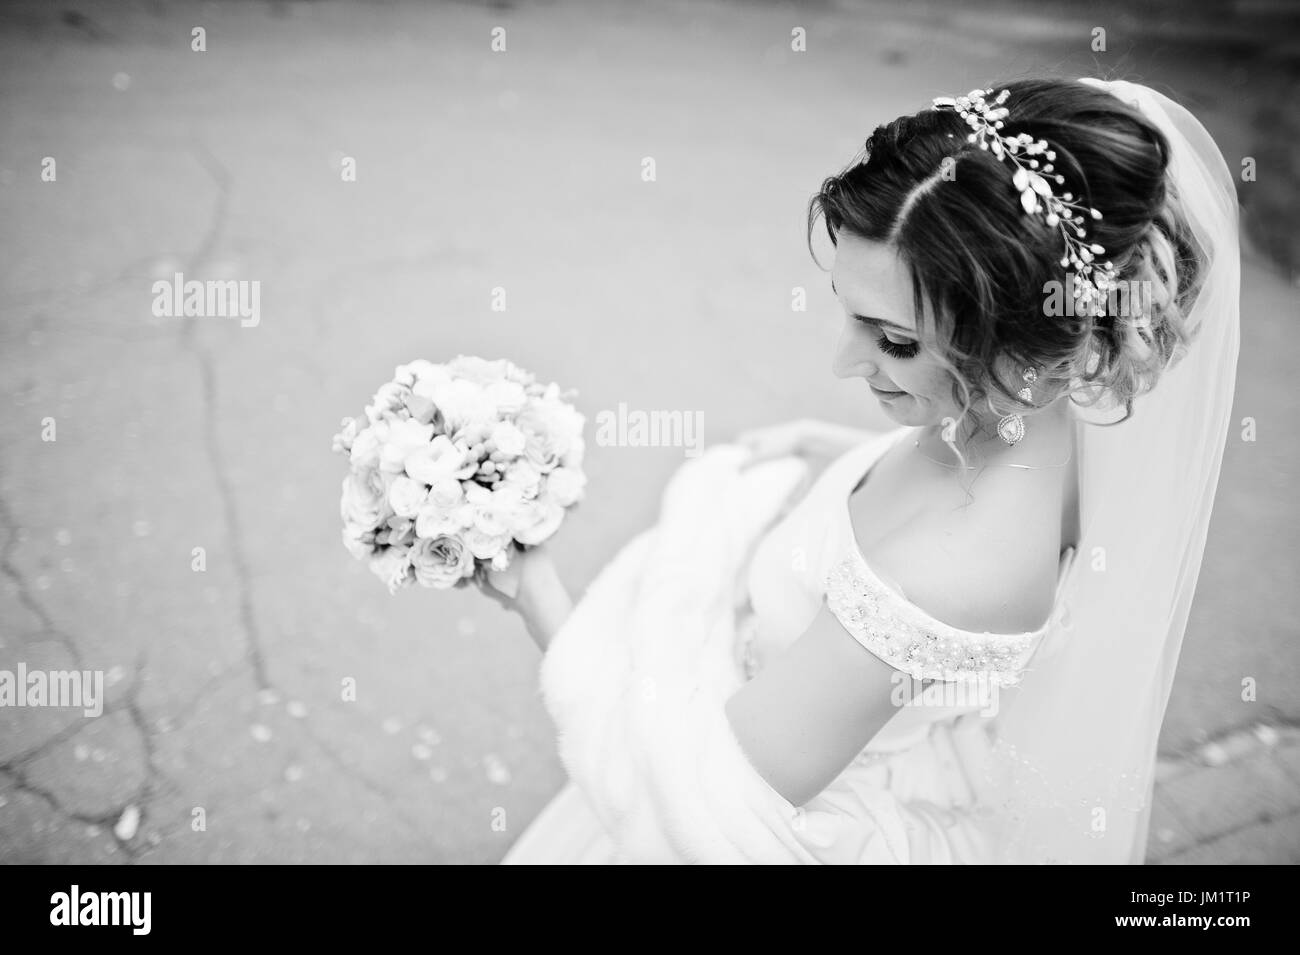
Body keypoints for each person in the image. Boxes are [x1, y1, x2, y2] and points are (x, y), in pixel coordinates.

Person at [482, 75, 1241, 864]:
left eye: (894, 341)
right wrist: (837, 454)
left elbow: (702, 814)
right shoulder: (1049, 416)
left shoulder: (944, 579)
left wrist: (539, 596)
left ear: (1020, 346)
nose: (845, 360)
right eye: (845, 308)